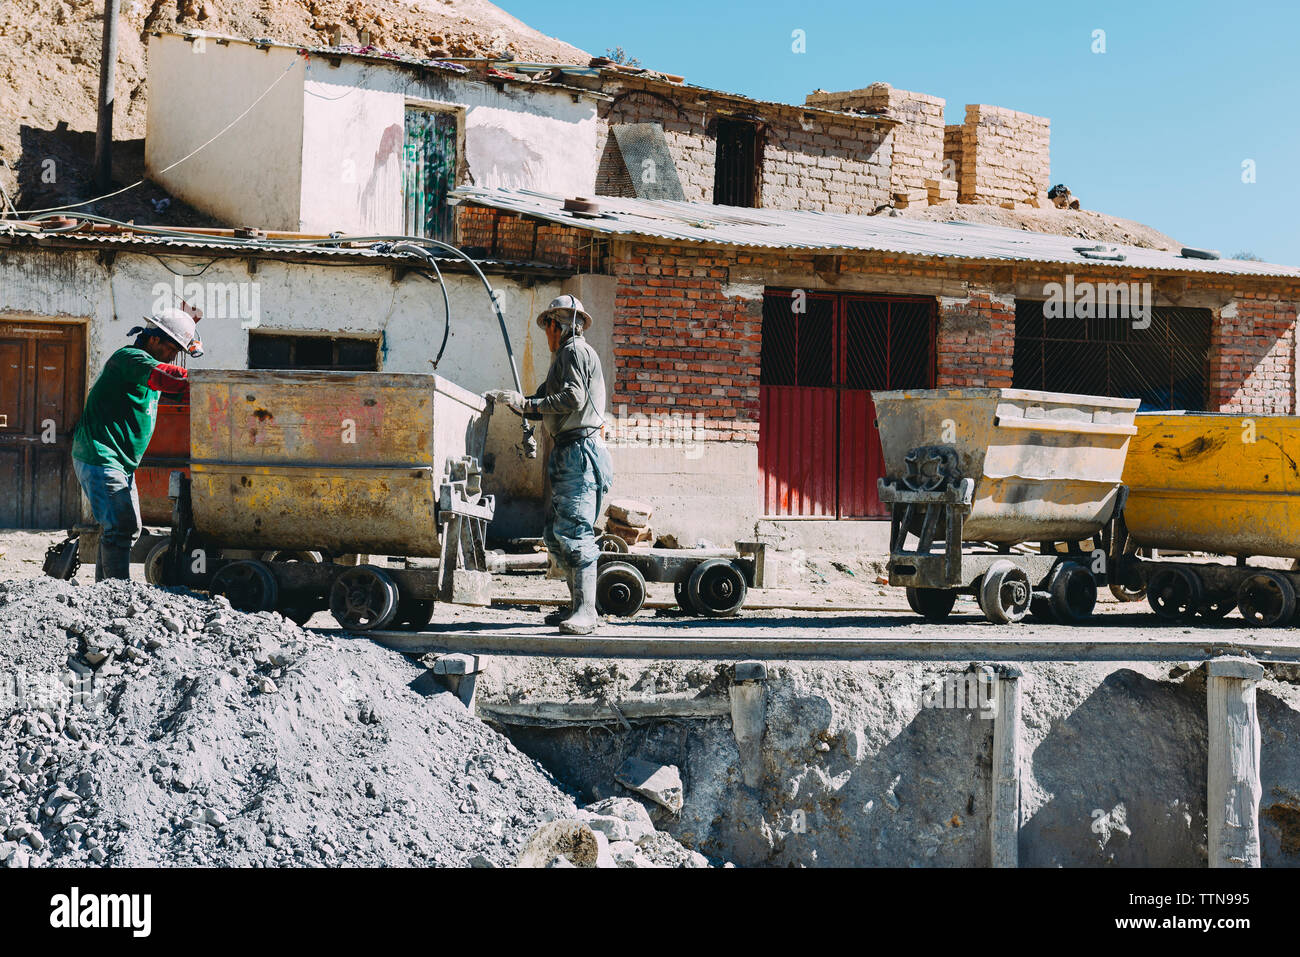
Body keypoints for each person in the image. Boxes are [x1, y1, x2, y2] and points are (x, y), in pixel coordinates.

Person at [488, 295, 612, 635]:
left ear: (558, 326)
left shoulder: (573, 352)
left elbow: (573, 398)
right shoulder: (564, 358)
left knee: (574, 532)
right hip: (570, 452)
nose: (546, 335)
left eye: (547, 328)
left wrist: (528, 402)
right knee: (556, 536)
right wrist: (517, 403)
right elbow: (541, 404)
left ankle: (587, 612)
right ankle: (577, 607)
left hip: (580, 454)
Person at [72, 308, 202, 581]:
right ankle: (117, 594)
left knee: (123, 528)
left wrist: (189, 331)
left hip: (119, 462)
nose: (173, 355)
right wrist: (208, 381)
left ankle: (104, 593)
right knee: (121, 526)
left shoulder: (145, 366)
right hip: (100, 453)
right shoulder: (130, 358)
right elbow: (172, 379)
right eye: (172, 349)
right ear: (153, 340)